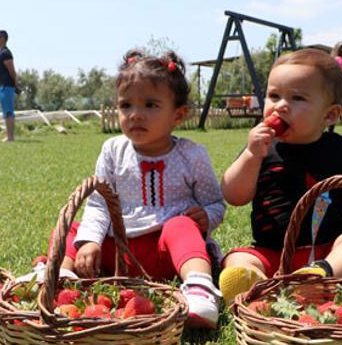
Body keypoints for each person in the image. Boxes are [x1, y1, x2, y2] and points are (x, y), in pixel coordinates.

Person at [217, 49, 342, 303]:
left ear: (329, 115)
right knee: (238, 259)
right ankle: (255, 284)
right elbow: (233, 195)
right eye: (274, 95)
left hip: (328, 249)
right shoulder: (262, 148)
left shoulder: (337, 149)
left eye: (297, 98)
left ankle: (319, 277)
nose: (280, 106)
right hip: (272, 252)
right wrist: (251, 155)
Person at [58, 49, 226, 329]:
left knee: (181, 225)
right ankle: (62, 276)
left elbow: (216, 202)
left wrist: (207, 216)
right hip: (119, 254)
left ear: (178, 115)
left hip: (167, 254)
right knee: (72, 229)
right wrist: (91, 241)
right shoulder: (113, 150)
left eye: (150, 105)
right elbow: (100, 204)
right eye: (126, 106)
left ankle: (199, 288)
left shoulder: (192, 155)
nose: (136, 115)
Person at [0, 30, 20, 142]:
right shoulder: (2, 53)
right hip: (3, 86)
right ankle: (9, 135)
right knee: (6, 111)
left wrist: (15, 85)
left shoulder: (6, 53)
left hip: (6, 86)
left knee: (8, 111)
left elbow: (12, 71)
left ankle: (10, 137)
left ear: (3, 38)